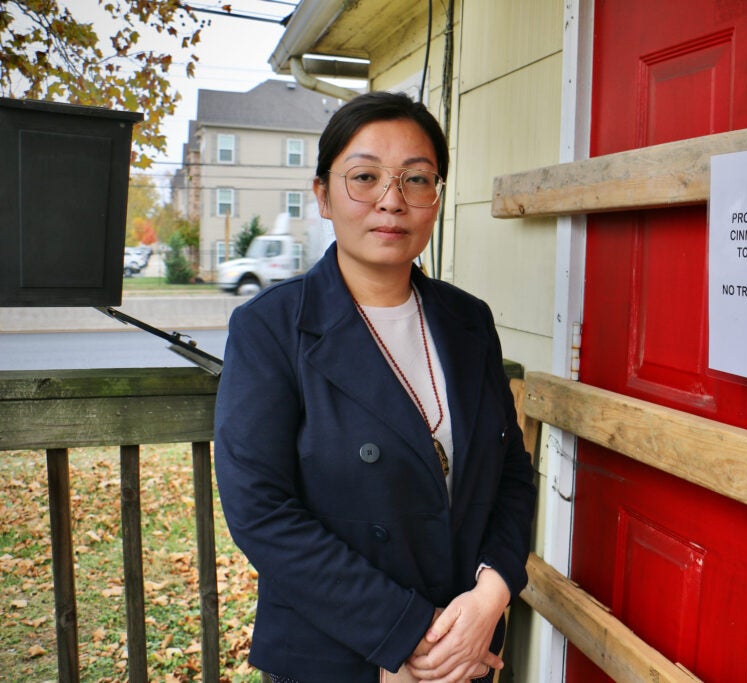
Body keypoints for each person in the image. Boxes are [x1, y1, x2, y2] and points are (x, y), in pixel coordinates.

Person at [214, 91, 536, 683]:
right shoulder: (272, 328)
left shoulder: (469, 321)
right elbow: (259, 510)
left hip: (462, 649)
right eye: (364, 177)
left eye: (417, 179)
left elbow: (512, 471)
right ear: (323, 197)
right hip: (341, 653)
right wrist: (405, 636)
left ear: (435, 197)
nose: (392, 201)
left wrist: (490, 596)